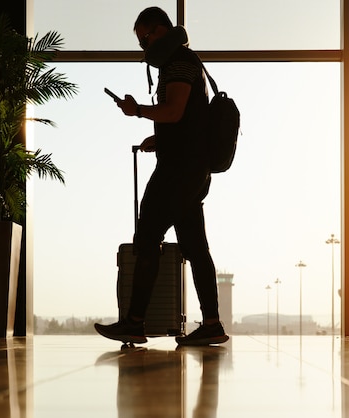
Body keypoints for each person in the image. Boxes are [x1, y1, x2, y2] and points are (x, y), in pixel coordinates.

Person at [95, 7, 228, 346]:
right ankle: (212, 324)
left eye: (145, 36)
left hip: (178, 172)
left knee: (148, 236)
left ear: (160, 30)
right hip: (191, 170)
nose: (142, 45)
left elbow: (174, 111)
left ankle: (134, 322)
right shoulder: (185, 61)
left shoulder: (179, 64)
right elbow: (186, 121)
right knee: (196, 248)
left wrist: (137, 110)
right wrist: (160, 138)